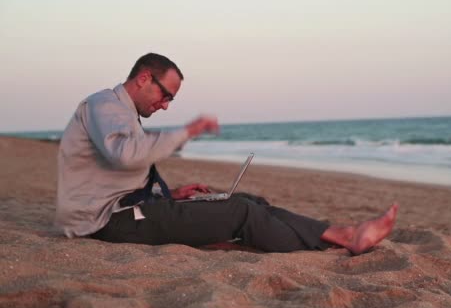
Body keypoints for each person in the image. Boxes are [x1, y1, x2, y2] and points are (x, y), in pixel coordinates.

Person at [55, 52, 397, 255]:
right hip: (105, 222)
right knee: (238, 212)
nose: (165, 105)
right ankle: (341, 241)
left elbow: (116, 173)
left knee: (252, 201)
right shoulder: (105, 104)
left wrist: (169, 193)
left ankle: (340, 234)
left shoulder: (122, 111)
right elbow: (125, 156)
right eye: (166, 96)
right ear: (144, 78)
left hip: (131, 208)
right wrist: (187, 131)